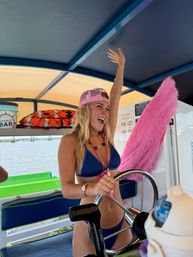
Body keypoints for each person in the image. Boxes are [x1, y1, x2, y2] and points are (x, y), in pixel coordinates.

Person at [58, 48, 132, 257]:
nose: (106, 112)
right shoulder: (69, 141)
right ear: (85, 110)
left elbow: (116, 96)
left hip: (120, 220)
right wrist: (93, 188)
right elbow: (66, 189)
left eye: (107, 109)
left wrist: (121, 66)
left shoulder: (107, 136)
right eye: (99, 106)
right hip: (90, 223)